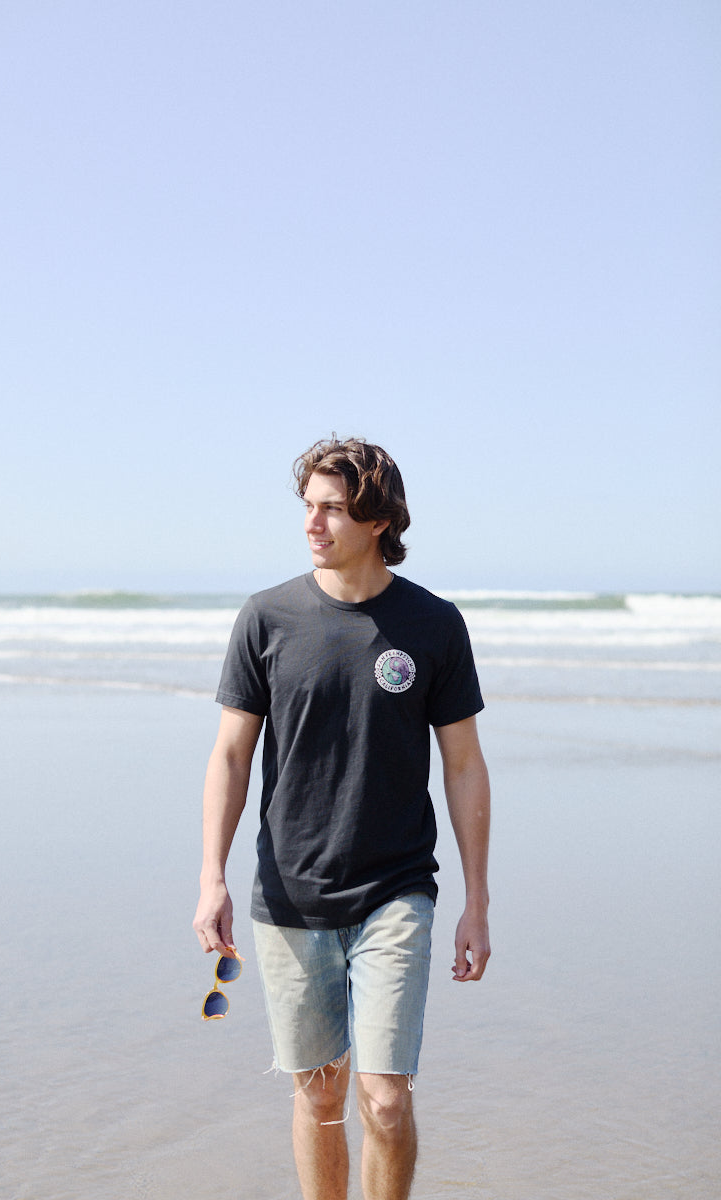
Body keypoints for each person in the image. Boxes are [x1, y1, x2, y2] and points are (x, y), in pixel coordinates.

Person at [193, 435, 490, 1200]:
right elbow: (229, 757)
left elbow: (463, 764)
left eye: (332, 509)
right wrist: (210, 878)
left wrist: (477, 900)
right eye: (309, 507)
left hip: (397, 888)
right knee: (321, 1096)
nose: (312, 524)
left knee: (385, 1101)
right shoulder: (267, 618)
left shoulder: (433, 624)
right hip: (291, 892)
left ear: (378, 521)